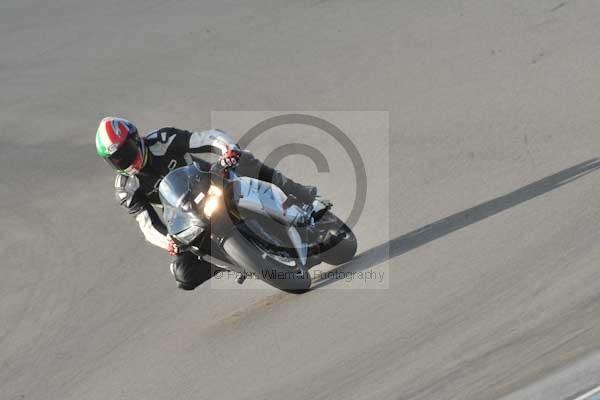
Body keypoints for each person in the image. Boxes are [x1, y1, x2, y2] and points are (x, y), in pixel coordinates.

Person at [95, 116, 317, 290]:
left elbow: (206, 138)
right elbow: (147, 225)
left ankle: (299, 193)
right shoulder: (126, 188)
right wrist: (169, 242)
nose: (125, 160)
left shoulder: (162, 139)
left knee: (244, 160)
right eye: (116, 159)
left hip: (209, 182)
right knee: (183, 274)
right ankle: (237, 260)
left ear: (136, 139)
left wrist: (227, 149)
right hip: (185, 217)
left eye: (126, 152)